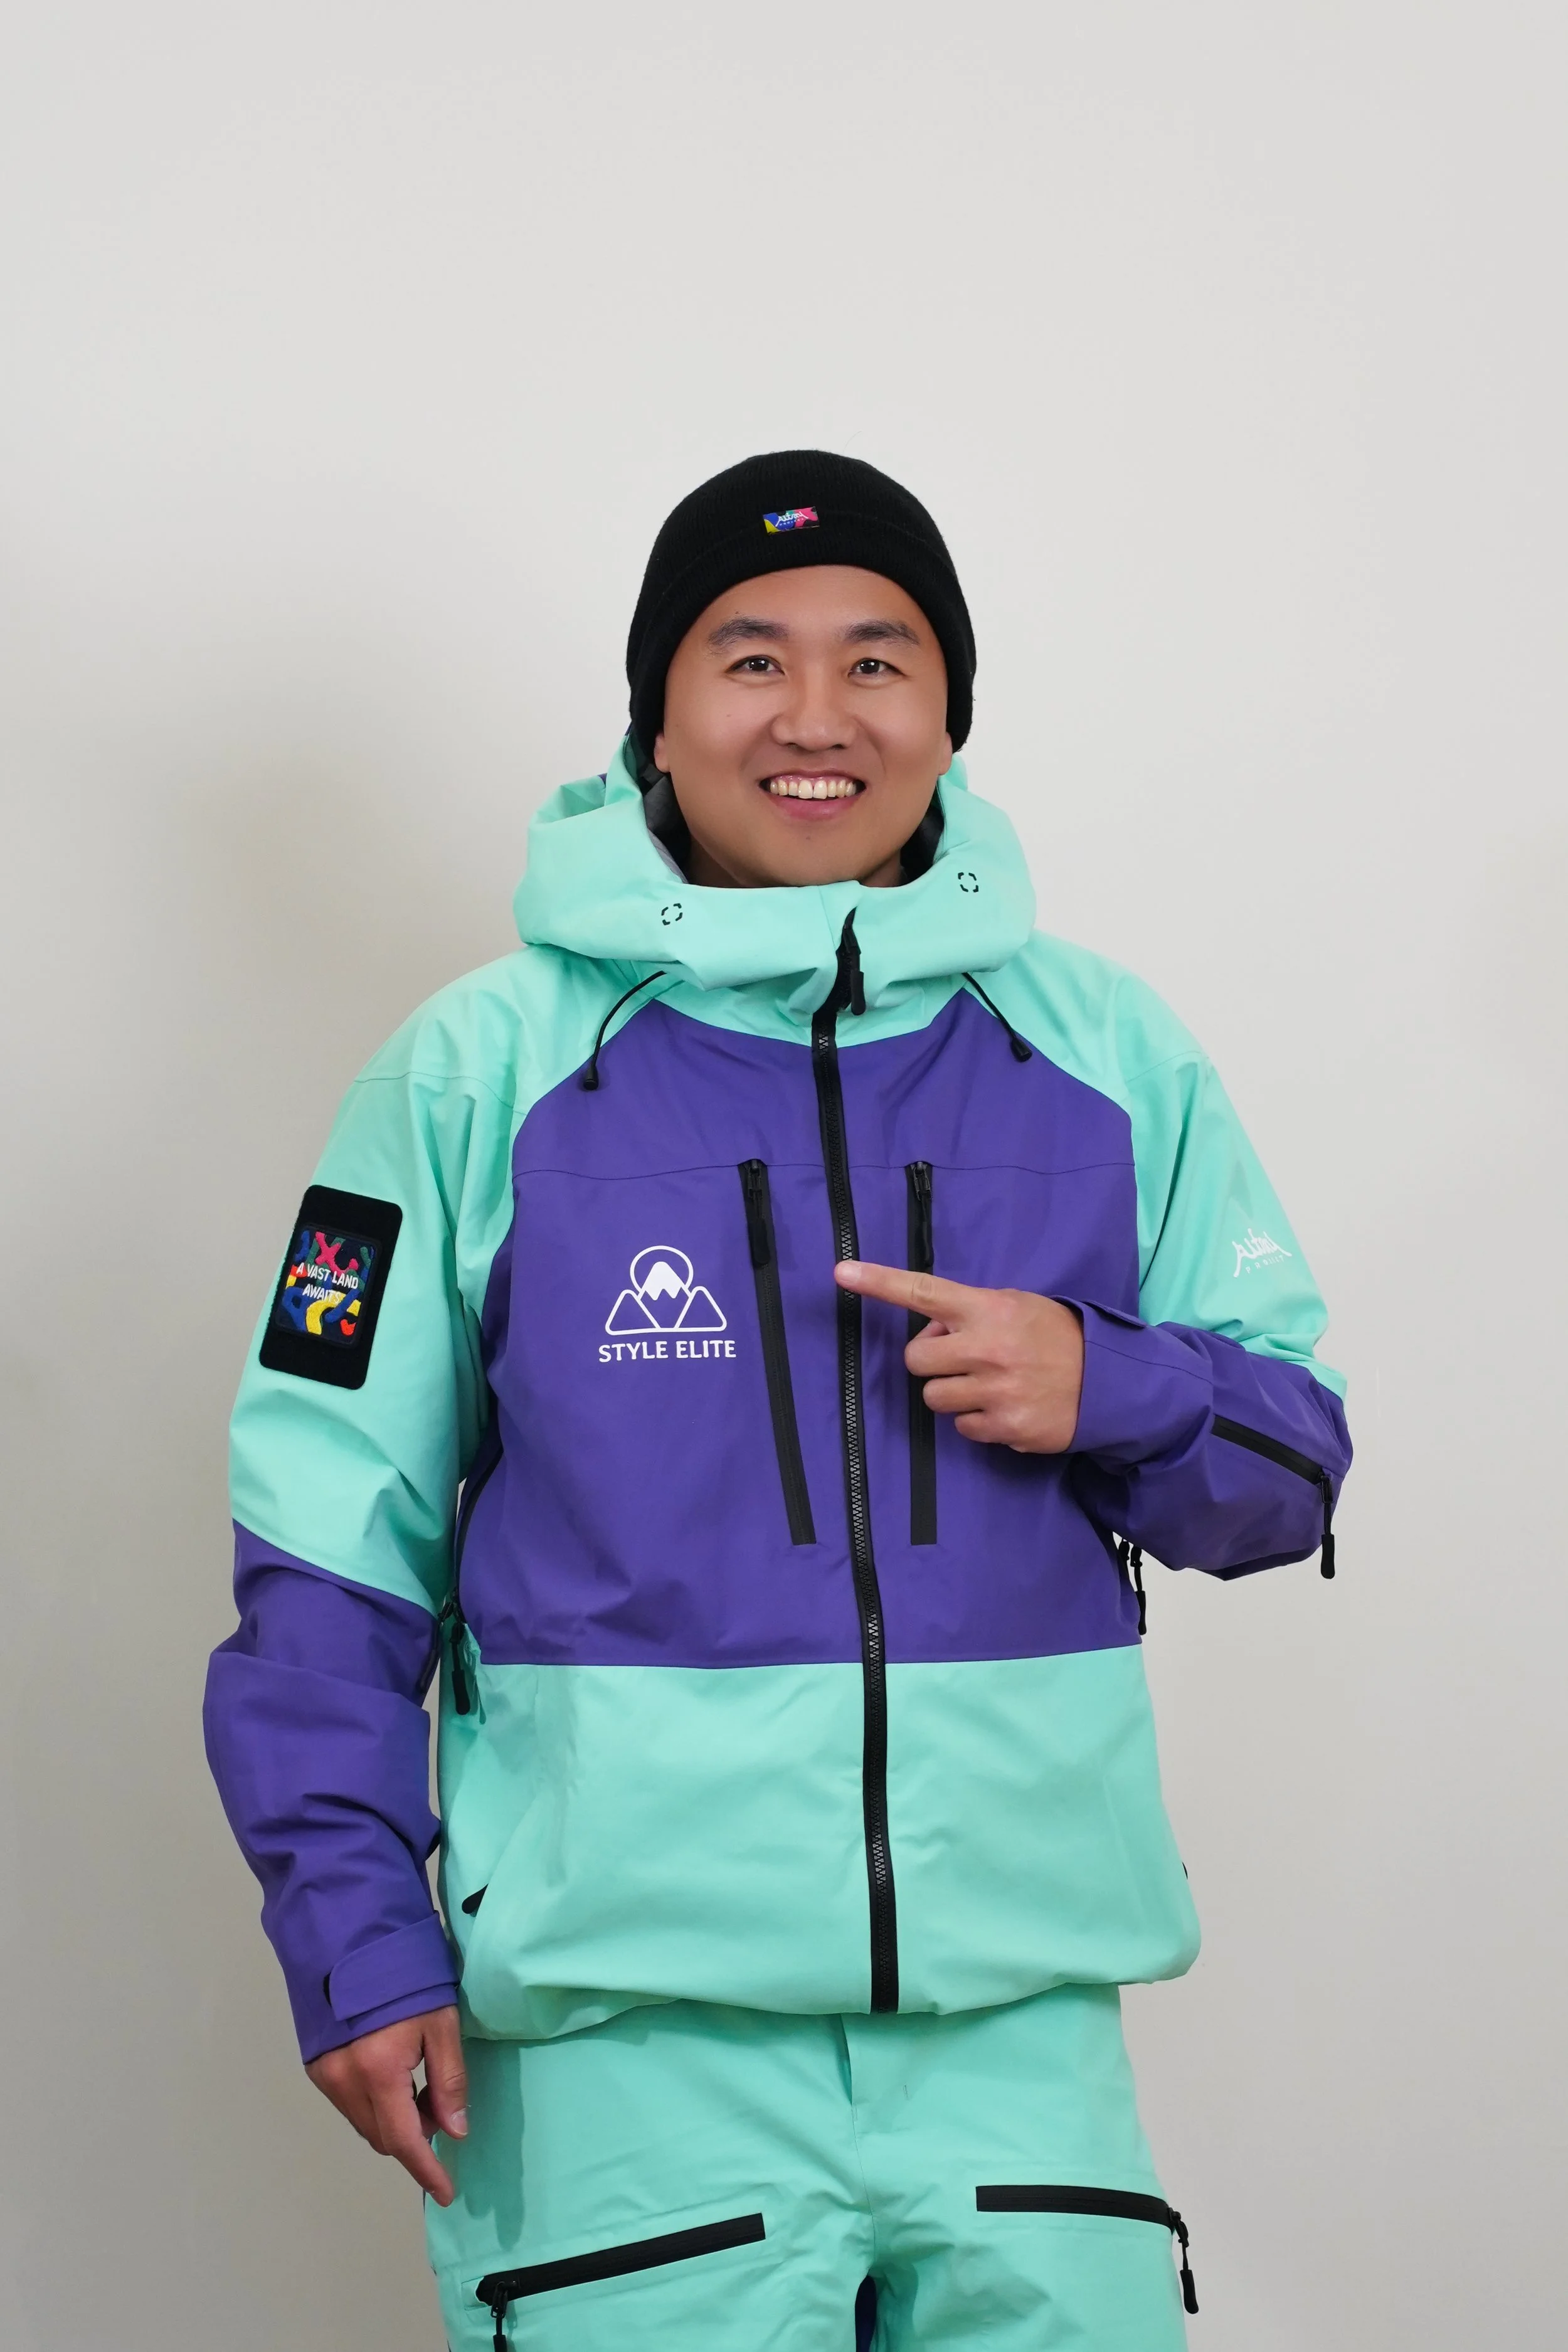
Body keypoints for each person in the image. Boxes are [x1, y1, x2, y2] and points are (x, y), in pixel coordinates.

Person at [205, 450, 1351, 2351]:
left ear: (948, 714)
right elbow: (329, 1543)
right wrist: (352, 1929)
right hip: (617, 2054)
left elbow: (1288, 1467)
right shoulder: (472, 1074)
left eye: (877, 660)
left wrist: (1110, 1384)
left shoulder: (1103, 1050)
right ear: (656, 711)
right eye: (748, 659)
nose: (815, 718)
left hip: (1020, 2036)